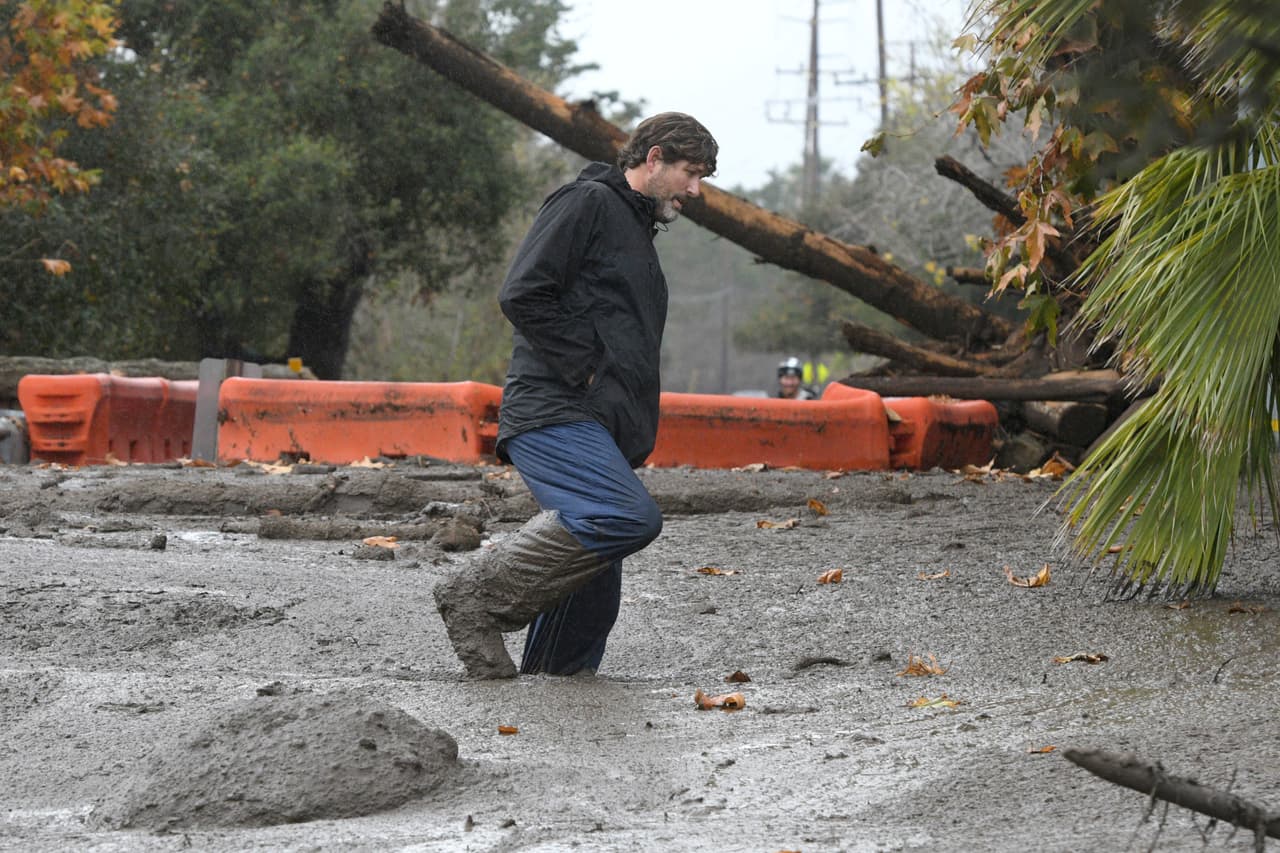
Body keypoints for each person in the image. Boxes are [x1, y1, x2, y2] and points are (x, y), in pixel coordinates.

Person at [433, 112, 719, 679]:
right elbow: (523, 292)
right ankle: (477, 596)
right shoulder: (585, 202)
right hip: (553, 412)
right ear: (654, 157)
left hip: (595, 424)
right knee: (625, 516)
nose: (696, 190)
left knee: (590, 597)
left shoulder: (634, 227)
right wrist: (586, 368)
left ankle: (552, 687)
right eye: (691, 173)